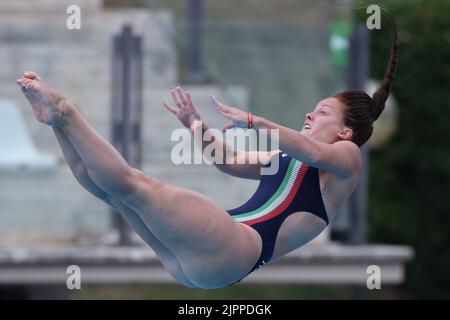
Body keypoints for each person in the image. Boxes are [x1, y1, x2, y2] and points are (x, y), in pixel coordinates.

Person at [16, 21, 397, 289]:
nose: (310, 115)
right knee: (111, 193)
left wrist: (253, 121)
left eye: (323, 112)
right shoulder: (291, 161)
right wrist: (196, 124)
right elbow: (229, 161)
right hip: (201, 262)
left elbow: (309, 148)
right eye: (313, 109)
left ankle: (65, 109)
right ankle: (57, 123)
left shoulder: (346, 160)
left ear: (346, 132)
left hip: (234, 246)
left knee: (135, 186)